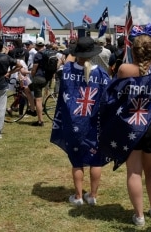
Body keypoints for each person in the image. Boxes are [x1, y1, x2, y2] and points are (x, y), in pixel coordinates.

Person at [101, 32, 151, 227]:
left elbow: (114, 95)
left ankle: (139, 216)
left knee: (134, 171)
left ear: (133, 50)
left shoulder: (124, 69)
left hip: (131, 125)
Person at [50, 36, 109, 206]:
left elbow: (65, 63)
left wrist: (71, 52)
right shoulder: (102, 74)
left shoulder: (67, 71)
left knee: (76, 161)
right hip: (94, 123)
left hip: (73, 122)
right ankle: (92, 195)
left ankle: (77, 196)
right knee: (95, 159)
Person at [28, 37, 50, 126]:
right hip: (46, 78)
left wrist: (32, 75)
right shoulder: (48, 53)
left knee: (38, 100)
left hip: (38, 78)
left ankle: (40, 120)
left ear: (36, 45)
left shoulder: (38, 55)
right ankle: (32, 109)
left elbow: (34, 69)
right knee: (28, 89)